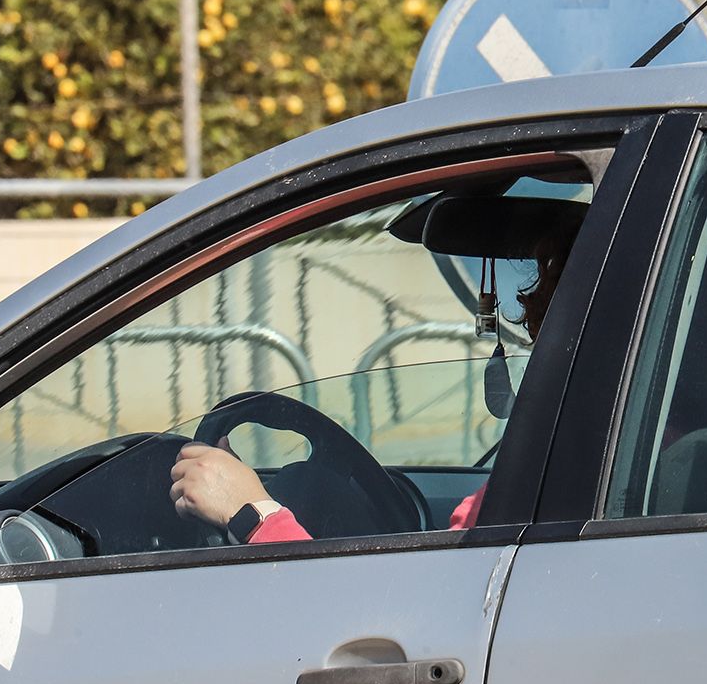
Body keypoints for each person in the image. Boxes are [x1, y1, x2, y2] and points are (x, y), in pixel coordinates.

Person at [169, 229, 571, 543]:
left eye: (542, 340)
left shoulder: (541, 490)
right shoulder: (567, 475)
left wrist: (250, 512)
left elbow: (417, 612)